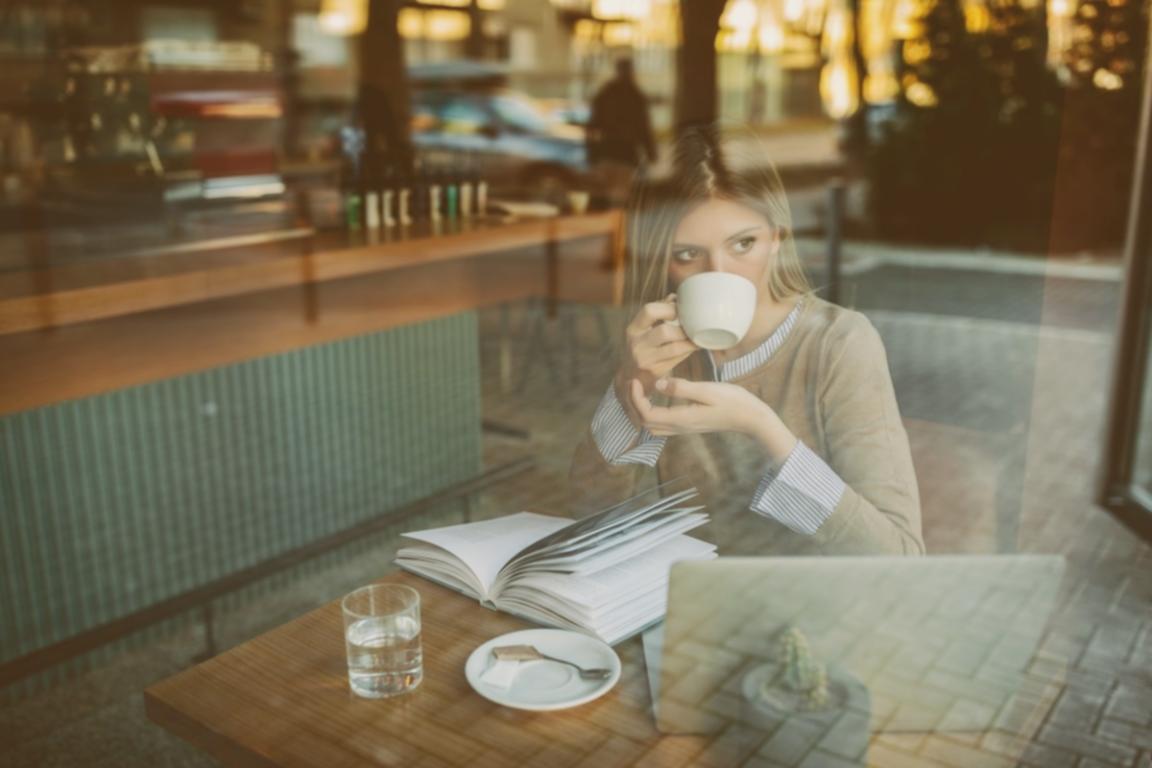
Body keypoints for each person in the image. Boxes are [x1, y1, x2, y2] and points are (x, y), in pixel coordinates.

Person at [569, 126, 924, 556]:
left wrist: (762, 427)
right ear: (665, 261)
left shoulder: (839, 343)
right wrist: (630, 384)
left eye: (743, 243)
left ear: (776, 237)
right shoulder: (661, 351)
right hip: (692, 605)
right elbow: (587, 517)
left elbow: (898, 555)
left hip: (808, 611)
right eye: (687, 254)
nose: (718, 273)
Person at [586, 58, 658, 207]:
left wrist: (591, 152)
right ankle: (616, 226)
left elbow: (592, 125)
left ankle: (606, 224)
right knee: (619, 196)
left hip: (606, 151)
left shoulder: (606, 93)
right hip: (625, 153)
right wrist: (651, 152)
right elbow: (644, 128)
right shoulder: (635, 96)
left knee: (604, 193)